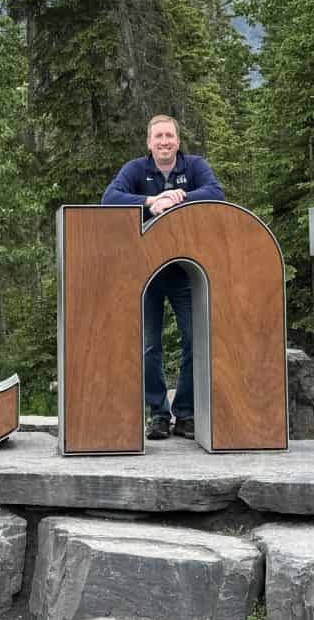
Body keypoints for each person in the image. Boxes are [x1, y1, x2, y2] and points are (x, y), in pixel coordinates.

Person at [102, 115, 224, 440]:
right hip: (146, 272)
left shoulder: (195, 166)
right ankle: (158, 413)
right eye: (158, 137)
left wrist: (180, 198)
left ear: (178, 141)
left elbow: (216, 192)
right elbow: (109, 198)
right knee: (148, 345)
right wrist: (149, 201)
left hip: (187, 269)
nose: (164, 142)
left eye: (169, 136)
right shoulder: (135, 170)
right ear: (149, 143)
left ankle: (185, 414)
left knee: (194, 339)